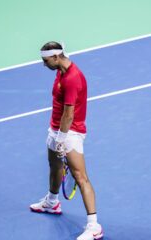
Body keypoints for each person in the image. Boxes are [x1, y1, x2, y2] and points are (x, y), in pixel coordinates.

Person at [30, 41, 103, 240]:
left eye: (45, 61)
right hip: (56, 128)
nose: (44, 64)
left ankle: (94, 225)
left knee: (80, 177)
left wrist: (61, 140)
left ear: (56, 57)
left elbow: (69, 115)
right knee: (54, 166)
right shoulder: (60, 71)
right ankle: (52, 202)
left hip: (70, 133)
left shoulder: (72, 78)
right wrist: (56, 135)